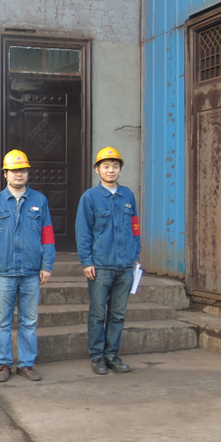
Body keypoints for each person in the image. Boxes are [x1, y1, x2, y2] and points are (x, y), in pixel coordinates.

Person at [0, 150, 55, 383]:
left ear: (27, 173)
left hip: (32, 271)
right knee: (2, 321)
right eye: (13, 171)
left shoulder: (39, 201)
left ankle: (26, 364)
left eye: (22, 170)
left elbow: (47, 235)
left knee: (29, 321)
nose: (18, 174)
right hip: (4, 272)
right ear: (5, 174)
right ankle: (4, 364)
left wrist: (47, 265)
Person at [75, 146, 141, 376]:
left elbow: (135, 227)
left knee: (118, 314)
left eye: (115, 166)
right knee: (97, 314)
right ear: (97, 169)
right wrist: (86, 261)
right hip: (100, 266)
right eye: (106, 166)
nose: (110, 170)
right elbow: (83, 231)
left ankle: (111, 354)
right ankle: (97, 356)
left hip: (125, 266)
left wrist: (135, 256)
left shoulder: (128, 195)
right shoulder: (90, 197)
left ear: (120, 170)